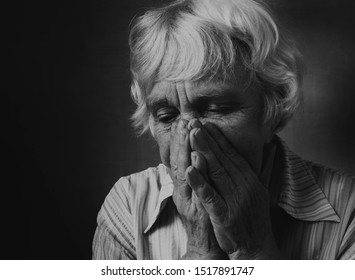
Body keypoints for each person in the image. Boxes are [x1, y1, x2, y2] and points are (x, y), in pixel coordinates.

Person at [92, 0, 355, 259]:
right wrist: (200, 251)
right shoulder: (128, 207)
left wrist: (253, 251)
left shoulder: (348, 209)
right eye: (167, 116)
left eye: (216, 109)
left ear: (272, 109)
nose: (190, 137)